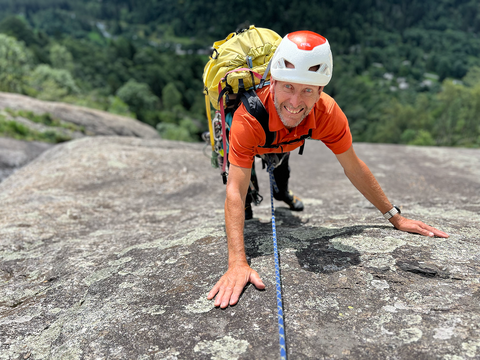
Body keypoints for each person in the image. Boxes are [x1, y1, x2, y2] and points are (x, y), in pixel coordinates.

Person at [207, 30, 449, 309]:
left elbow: (354, 167)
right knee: (246, 192)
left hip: (280, 141)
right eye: (288, 87)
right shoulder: (248, 117)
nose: (296, 102)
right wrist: (238, 262)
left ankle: (282, 191)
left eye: (307, 90)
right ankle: (260, 202)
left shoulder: (327, 114)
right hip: (253, 136)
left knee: (281, 157)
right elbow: (234, 189)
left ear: (320, 91)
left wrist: (395, 217)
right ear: (272, 82)